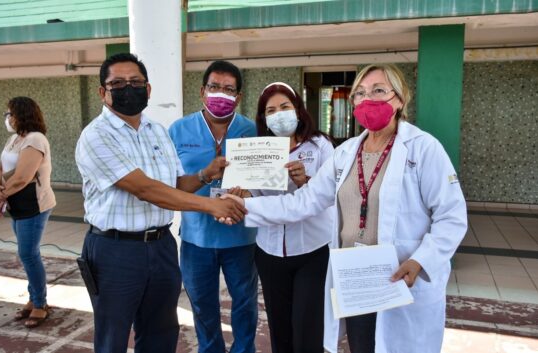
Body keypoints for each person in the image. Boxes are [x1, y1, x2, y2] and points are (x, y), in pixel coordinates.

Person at [222, 64, 467, 353]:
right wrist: (242, 206)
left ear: (400, 99)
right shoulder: (346, 152)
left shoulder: (424, 149)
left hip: (402, 273)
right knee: (361, 344)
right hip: (357, 275)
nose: (368, 99)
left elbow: (451, 216)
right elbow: (304, 201)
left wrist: (421, 261)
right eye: (360, 93)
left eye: (378, 90)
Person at [74, 53, 246, 353]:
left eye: (136, 82)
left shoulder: (157, 132)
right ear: (103, 92)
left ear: (148, 89)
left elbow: (177, 185)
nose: (128, 88)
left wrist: (206, 174)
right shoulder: (96, 136)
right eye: (117, 83)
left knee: (161, 333)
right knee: (112, 336)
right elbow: (143, 188)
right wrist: (211, 206)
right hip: (115, 251)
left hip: (161, 247)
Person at [234, 81, 334, 353]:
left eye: (285, 107)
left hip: (311, 251)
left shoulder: (320, 145)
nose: (279, 114)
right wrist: (241, 193)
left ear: (298, 110)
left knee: (307, 328)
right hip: (269, 251)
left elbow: (334, 192)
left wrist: (307, 180)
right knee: (279, 328)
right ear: (264, 118)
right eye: (271, 110)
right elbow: (251, 195)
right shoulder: (257, 150)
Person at [168, 60, 258, 353]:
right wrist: (205, 174)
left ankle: (244, 350)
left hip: (242, 238)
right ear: (202, 90)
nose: (221, 93)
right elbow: (171, 187)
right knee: (203, 306)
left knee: (244, 303)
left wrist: (250, 191)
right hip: (197, 238)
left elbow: (265, 182)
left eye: (229, 89)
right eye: (214, 87)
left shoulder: (252, 131)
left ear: (239, 97)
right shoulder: (179, 130)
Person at [0, 96, 56, 328]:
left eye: (10, 114)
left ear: (22, 114)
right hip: (17, 204)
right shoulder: (14, 139)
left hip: (34, 205)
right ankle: (34, 299)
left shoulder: (36, 139)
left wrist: (2, 194)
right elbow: (0, 168)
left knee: (28, 254)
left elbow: (22, 177)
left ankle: (40, 304)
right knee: (27, 254)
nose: (7, 118)